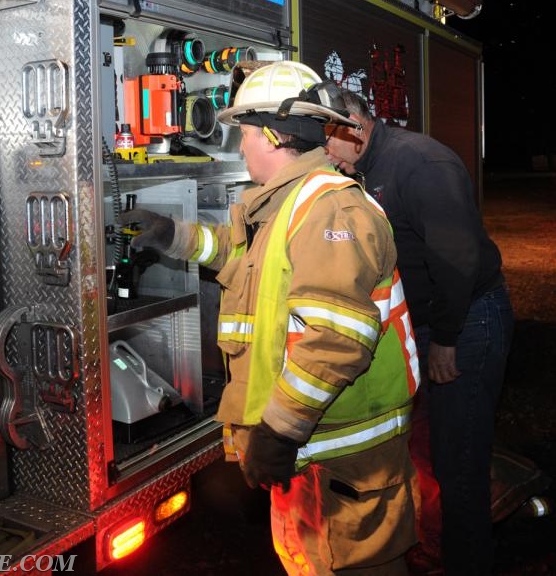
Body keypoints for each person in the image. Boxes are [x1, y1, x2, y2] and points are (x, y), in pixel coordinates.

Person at [122, 61, 420, 575]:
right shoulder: (288, 206)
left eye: (245, 133)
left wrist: (279, 433)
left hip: (345, 458)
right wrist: (173, 234)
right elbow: (246, 262)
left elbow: (336, 341)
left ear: (276, 134)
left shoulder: (330, 211)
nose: (240, 147)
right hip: (317, 455)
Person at [323, 90, 514, 575]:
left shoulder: (421, 164)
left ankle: (468, 562)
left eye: (325, 137)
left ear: (353, 127)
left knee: (459, 460)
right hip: (427, 322)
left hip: (468, 318)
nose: (322, 150)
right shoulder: (361, 169)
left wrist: (446, 340)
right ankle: (433, 547)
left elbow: (459, 259)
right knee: (426, 448)